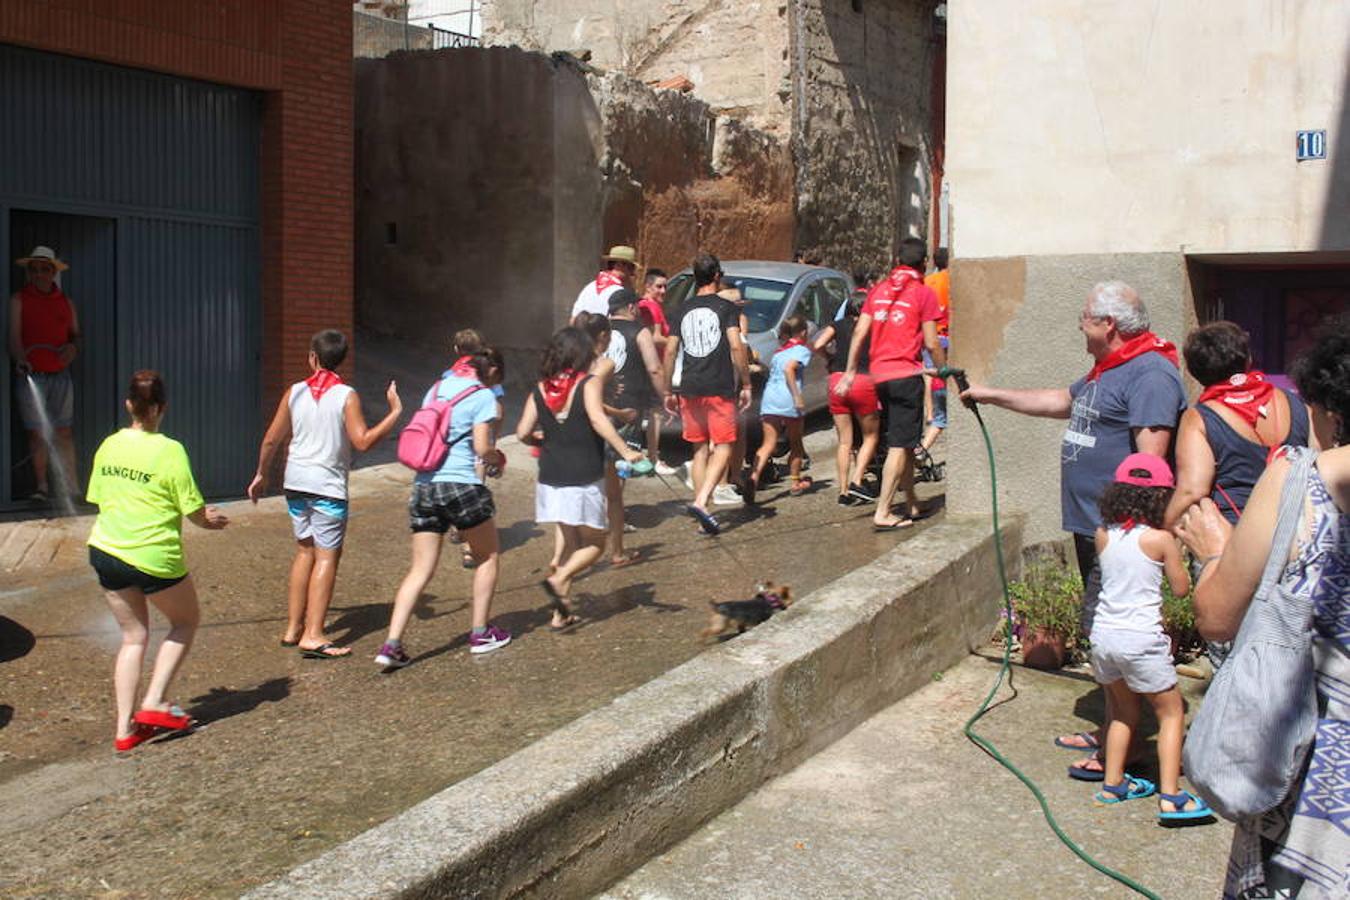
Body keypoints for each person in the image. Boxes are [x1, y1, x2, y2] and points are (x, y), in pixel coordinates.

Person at [961, 280, 1186, 779]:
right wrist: (993, 395)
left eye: (1085, 316)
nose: (1078, 323)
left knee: (1112, 633)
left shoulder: (1150, 374)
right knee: (1099, 631)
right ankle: (1112, 726)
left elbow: (1151, 467)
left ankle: (1124, 748)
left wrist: (1130, 535)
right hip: (1095, 530)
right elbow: (1063, 400)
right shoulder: (1110, 370)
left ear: (1108, 325)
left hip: (1119, 537)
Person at [1174, 316, 1348, 897]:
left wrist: (1213, 552)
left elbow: (1218, 616)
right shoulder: (1282, 407)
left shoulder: (1299, 480)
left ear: (1333, 406)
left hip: (1318, 772)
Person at [86, 371, 228, 752]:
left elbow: (100, 497)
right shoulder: (170, 450)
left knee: (133, 637)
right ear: (162, 408)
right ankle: (155, 701)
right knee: (185, 621)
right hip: (152, 556)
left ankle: (124, 730)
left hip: (106, 550)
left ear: (129, 404)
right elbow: (194, 510)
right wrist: (210, 522)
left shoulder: (109, 445)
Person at [247, 330, 403, 658]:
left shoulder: (294, 392)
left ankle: (293, 628)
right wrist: (393, 415)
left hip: (295, 483)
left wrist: (261, 474)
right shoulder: (346, 395)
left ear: (312, 358)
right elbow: (362, 441)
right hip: (327, 488)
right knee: (327, 557)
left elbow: (271, 439)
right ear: (341, 359)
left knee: (304, 552)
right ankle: (314, 634)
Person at [1087, 453, 1211, 823]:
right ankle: (1171, 797)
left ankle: (1113, 785)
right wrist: (1184, 550)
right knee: (1172, 714)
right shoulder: (1160, 540)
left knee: (1123, 712)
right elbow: (1179, 588)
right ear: (1160, 498)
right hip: (1141, 639)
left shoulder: (1103, 534)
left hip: (1104, 637)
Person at [374, 348, 513, 669]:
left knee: (420, 569)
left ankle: (392, 644)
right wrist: (498, 458)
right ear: (490, 372)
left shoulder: (435, 389)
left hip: (424, 486)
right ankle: (480, 633)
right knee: (487, 556)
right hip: (462, 485)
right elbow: (481, 448)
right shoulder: (483, 397)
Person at [516, 328, 646, 629]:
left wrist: (541, 441)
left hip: (550, 476)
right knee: (595, 545)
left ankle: (560, 614)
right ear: (581, 355)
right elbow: (599, 419)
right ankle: (558, 578)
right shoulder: (586, 384)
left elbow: (522, 432)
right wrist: (626, 451)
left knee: (571, 541)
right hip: (582, 476)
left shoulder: (541, 388)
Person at [835, 237, 946, 530]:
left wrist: (849, 371)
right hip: (906, 376)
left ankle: (910, 500)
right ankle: (883, 510)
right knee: (899, 444)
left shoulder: (879, 290)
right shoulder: (923, 293)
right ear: (924, 264)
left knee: (905, 442)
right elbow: (933, 342)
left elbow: (860, 332)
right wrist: (944, 369)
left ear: (897, 261)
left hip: (878, 377)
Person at [1163, 321, 1311, 528]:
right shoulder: (1295, 402)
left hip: (1236, 535)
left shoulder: (1199, 418)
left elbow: (1192, 490)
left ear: (1193, 371)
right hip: (1296, 525)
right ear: (1248, 359)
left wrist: (1164, 529)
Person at [662, 254, 752, 535]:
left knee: (699, 449)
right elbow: (736, 346)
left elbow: (670, 350)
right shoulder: (726, 308)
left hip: (689, 386)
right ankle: (702, 503)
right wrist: (747, 383)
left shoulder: (681, 309)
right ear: (716, 276)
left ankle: (702, 506)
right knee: (724, 445)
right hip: (719, 386)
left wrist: (667, 388)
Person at [10, 246, 80, 504]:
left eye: (44, 269)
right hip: (32, 376)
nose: (39, 274)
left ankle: (72, 488)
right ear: (29, 272)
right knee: (37, 432)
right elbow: (14, 338)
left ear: (53, 272)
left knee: (63, 431)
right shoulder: (19, 300)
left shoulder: (65, 302)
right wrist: (20, 359)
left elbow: (75, 335)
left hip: (60, 375)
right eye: (34, 269)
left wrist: (72, 348)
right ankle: (42, 487)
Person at [814, 289, 880, 506]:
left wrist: (830, 359)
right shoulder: (871, 325)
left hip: (836, 381)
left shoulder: (838, 324)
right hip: (862, 380)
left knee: (844, 441)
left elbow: (817, 345)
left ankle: (843, 493)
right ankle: (857, 480)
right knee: (870, 436)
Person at [744, 315, 813, 502]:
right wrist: (798, 397)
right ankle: (795, 482)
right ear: (804, 332)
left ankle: (753, 476)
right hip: (788, 399)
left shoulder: (778, 352)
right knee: (796, 444)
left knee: (768, 444)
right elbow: (790, 369)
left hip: (770, 400)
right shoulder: (802, 350)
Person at [635, 268, 677, 475]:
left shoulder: (643, 305)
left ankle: (643, 454)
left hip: (642, 365)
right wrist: (677, 341)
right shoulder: (652, 307)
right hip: (651, 365)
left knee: (643, 412)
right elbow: (655, 337)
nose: (663, 290)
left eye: (665, 286)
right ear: (648, 286)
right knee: (656, 414)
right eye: (659, 286)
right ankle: (653, 458)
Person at [921, 248, 951, 455]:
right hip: (948, 334)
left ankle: (930, 412)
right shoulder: (952, 279)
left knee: (928, 374)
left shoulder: (928, 282)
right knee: (943, 375)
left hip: (929, 333)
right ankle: (938, 413)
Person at [571, 245, 639, 322]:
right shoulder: (620, 293)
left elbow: (573, 320)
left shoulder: (589, 287)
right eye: (631, 268)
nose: (632, 274)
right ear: (619, 265)